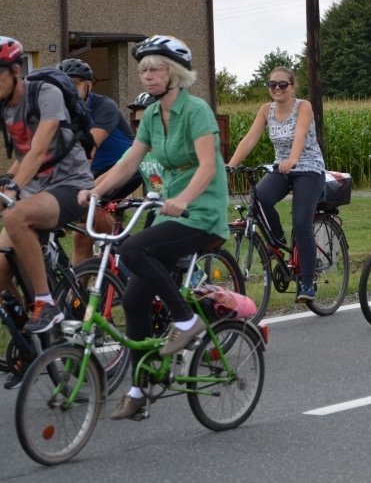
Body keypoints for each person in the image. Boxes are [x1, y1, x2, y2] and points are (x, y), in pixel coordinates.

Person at [78, 35, 229, 420]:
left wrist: (184, 199)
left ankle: (186, 319)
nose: (147, 76)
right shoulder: (151, 118)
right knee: (132, 299)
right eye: (143, 69)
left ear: (174, 73)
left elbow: (209, 167)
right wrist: (94, 190)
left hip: (202, 213)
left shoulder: (197, 112)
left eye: (155, 68)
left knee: (132, 249)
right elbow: (129, 161)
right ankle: (139, 390)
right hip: (170, 213)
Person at [0, 36, 93, 339]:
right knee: (0, 264)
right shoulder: (6, 109)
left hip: (71, 186)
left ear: (15, 71)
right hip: (37, 191)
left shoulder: (46, 93)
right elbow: (24, 157)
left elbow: (39, 151)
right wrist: (6, 182)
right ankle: (30, 336)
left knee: (15, 217)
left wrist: (13, 189)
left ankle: (46, 303)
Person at [227, 66, 325, 303]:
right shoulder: (265, 110)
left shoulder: (303, 106)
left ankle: (308, 283)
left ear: (292, 87)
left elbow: (300, 134)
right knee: (258, 197)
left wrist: (293, 159)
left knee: (301, 222)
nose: (277, 89)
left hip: (308, 168)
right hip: (281, 168)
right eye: (272, 85)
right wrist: (229, 166)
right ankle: (278, 240)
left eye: (283, 85)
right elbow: (250, 138)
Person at [59, 58, 142, 266]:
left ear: (88, 85)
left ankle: (133, 252)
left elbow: (90, 148)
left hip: (125, 167)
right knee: (81, 237)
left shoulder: (104, 106)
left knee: (91, 210)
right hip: (94, 171)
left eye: (75, 82)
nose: (69, 88)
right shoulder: (60, 112)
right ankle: (78, 296)